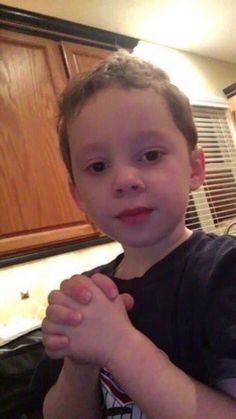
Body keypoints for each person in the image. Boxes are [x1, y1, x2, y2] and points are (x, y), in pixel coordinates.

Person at [33, 50, 236, 418]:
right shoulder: (87, 294)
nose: (125, 180)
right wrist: (80, 366)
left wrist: (119, 346)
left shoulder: (225, 272)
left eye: (150, 155)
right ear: (78, 194)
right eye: (98, 165)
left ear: (194, 168)